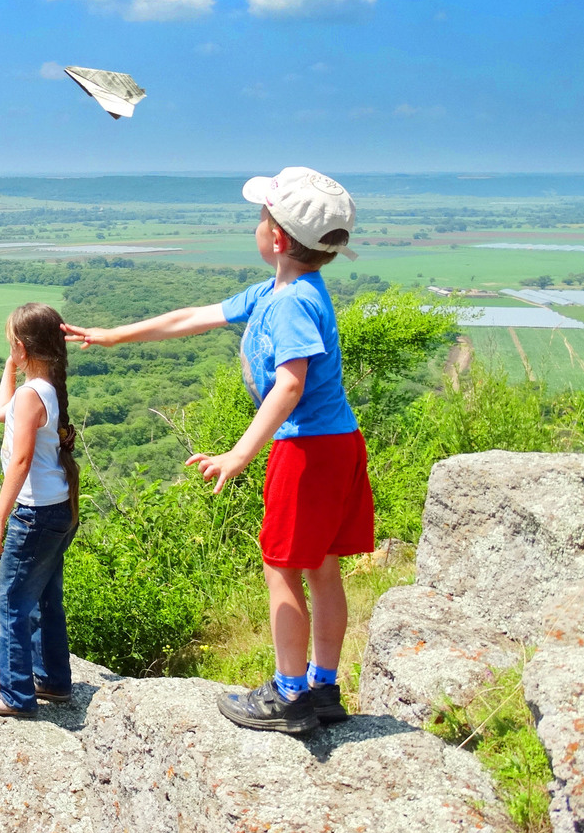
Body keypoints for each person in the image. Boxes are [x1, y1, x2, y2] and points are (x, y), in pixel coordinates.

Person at [63, 167, 371, 734]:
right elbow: (193, 318)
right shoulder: (284, 290)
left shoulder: (288, 304)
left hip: (307, 451)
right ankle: (324, 687)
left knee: (281, 566)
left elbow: (290, 383)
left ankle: (289, 695)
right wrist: (111, 335)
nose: (257, 224)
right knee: (323, 567)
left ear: (276, 237)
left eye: (262, 216)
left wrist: (239, 453)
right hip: (339, 443)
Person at [0, 303, 83, 718]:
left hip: (33, 514)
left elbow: (20, 461)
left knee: (10, 603)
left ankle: (15, 695)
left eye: (11, 346)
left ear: (21, 345)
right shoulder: (43, 389)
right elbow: (3, 412)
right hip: (59, 510)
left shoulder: (33, 395)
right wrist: (11, 367)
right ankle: (52, 680)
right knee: (46, 599)